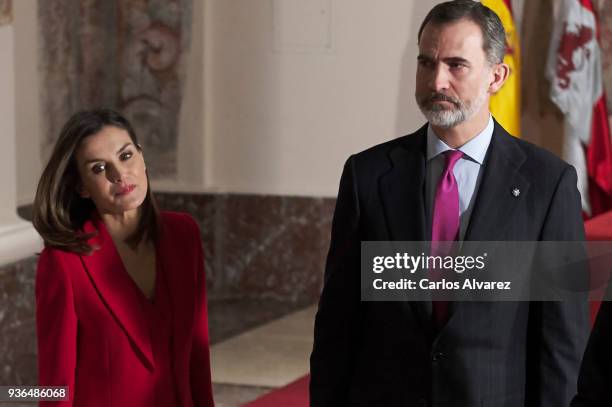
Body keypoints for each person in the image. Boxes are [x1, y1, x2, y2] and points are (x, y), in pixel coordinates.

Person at [309, 1, 588, 406]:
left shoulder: (549, 185)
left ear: (497, 76)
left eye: (456, 65)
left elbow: (562, 342)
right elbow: (338, 325)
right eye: (426, 63)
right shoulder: (367, 175)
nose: (436, 81)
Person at [33, 108, 215, 407]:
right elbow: (55, 387)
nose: (119, 174)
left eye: (126, 156)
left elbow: (198, 352)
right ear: (81, 187)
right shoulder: (64, 262)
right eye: (98, 168)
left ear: (142, 157)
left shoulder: (184, 235)